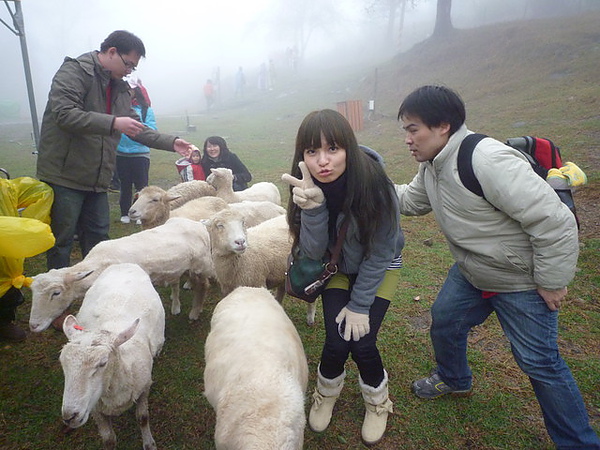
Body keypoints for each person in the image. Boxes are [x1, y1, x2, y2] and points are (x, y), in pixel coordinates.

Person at [394, 85, 600, 449]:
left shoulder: (486, 159)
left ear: (442, 126)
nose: (408, 139)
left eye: (413, 129)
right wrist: (361, 188)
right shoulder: (433, 164)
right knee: (445, 320)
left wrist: (552, 281)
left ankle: (579, 443)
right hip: (473, 272)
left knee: (540, 364)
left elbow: (554, 221)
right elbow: (410, 201)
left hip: (520, 280)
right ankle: (455, 379)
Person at [281, 109, 404, 445]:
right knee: (337, 339)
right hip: (336, 267)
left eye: (332, 148)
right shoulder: (306, 187)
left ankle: (378, 402)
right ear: (302, 155)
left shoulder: (377, 186)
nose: (323, 161)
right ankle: (326, 392)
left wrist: (361, 305)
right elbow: (311, 251)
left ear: (348, 147)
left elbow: (381, 252)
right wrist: (314, 210)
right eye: (312, 151)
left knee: (362, 341)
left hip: (379, 267)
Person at [36, 30, 193, 270]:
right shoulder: (75, 72)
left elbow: (135, 128)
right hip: (65, 175)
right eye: (128, 63)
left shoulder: (119, 88)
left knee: (99, 238)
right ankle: (56, 294)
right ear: (111, 52)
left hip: (98, 178)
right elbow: (64, 114)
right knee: (61, 240)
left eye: (133, 67)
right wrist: (112, 122)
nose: (130, 70)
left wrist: (171, 142)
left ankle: (96, 287)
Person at [116, 77, 155, 224]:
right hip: (121, 153)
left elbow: (152, 129)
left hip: (140, 153)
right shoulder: (118, 108)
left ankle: (141, 213)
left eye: (130, 89)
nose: (128, 92)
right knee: (124, 186)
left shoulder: (146, 110)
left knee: (142, 187)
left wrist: (134, 130)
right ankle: (125, 212)